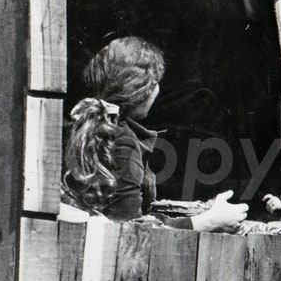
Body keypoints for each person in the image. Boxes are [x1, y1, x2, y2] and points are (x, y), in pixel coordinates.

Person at [61, 36, 248, 231]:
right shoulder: (122, 142)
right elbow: (130, 233)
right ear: (142, 90)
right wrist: (210, 220)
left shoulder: (81, 126)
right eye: (155, 82)